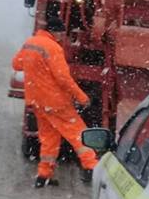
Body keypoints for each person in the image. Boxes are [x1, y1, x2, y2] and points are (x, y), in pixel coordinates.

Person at [12, 13, 98, 188]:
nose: (61, 36)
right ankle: (92, 168)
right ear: (55, 32)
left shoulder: (31, 43)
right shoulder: (53, 48)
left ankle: (44, 175)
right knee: (79, 134)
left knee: (49, 138)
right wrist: (82, 97)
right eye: (60, 33)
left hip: (37, 101)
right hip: (56, 102)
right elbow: (63, 78)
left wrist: (35, 67)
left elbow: (16, 64)